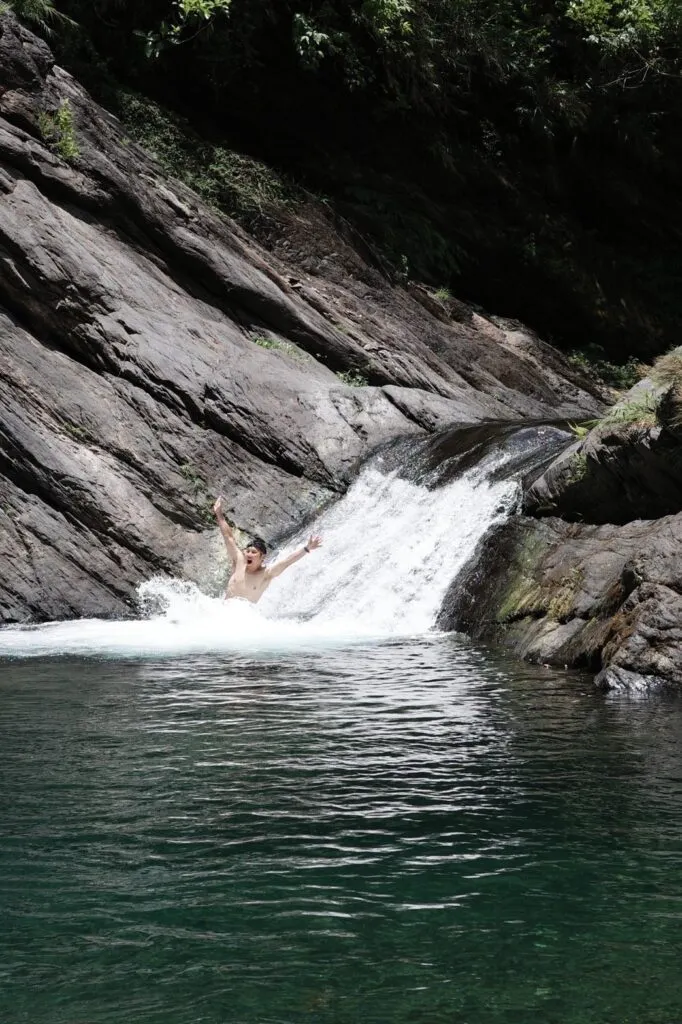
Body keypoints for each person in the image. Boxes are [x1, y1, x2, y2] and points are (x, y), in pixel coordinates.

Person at [213, 496, 322, 604]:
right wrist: (219, 513)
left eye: (254, 552)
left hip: (243, 617)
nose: (249, 554)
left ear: (262, 557)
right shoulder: (239, 561)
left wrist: (307, 548)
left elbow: (287, 562)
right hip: (223, 613)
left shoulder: (266, 574)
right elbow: (229, 537)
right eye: (248, 551)